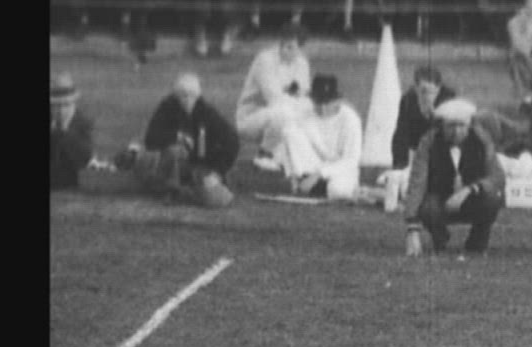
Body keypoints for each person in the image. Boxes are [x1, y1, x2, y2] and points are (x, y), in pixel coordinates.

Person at [402, 99, 506, 258]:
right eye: (451, 126)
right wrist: (412, 228)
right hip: (439, 200)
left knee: (492, 197)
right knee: (428, 207)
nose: (457, 131)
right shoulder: (428, 143)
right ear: (442, 125)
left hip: (472, 200)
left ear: (469, 125)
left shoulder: (482, 140)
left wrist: (470, 189)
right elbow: (417, 183)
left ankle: (477, 241)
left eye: (461, 126)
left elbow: (497, 177)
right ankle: (440, 237)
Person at [133, 73, 240, 209]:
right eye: (183, 95)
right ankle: (172, 190)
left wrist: (218, 171)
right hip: (175, 164)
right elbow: (151, 139)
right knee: (174, 151)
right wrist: (177, 136)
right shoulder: (167, 108)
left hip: (202, 164)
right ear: (176, 96)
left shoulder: (207, 113)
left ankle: (191, 190)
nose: (187, 100)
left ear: (198, 95)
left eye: (192, 95)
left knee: (218, 200)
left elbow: (232, 141)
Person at [236, 25, 314, 166]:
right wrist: (294, 98)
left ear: (301, 49)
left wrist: (298, 101)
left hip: (283, 117)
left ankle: (287, 153)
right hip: (251, 118)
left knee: (308, 107)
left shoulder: (302, 63)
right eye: (282, 45)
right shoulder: (265, 59)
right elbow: (274, 99)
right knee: (282, 111)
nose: (284, 50)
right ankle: (264, 154)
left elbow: (304, 96)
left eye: (290, 47)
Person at [280, 74, 363, 200]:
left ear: (337, 100)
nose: (323, 108)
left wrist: (318, 175)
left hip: (340, 169)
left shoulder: (350, 119)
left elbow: (351, 160)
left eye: (327, 103)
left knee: (338, 190)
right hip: (315, 165)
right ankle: (302, 182)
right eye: (318, 102)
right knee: (290, 131)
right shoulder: (306, 115)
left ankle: (317, 187)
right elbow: (290, 141)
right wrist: (293, 175)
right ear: (312, 99)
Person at [391, 66, 456, 173]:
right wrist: (400, 167)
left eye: (431, 92)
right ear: (416, 88)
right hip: (416, 138)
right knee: (400, 137)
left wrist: (435, 114)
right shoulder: (408, 100)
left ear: (438, 89)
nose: (427, 97)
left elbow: (451, 134)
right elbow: (400, 135)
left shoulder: (449, 99)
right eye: (423, 91)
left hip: (443, 141)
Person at [50, 73, 94, 192]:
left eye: (66, 105)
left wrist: (65, 133)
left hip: (68, 180)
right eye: (56, 106)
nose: (61, 111)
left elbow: (85, 157)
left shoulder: (82, 123)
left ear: (74, 104)